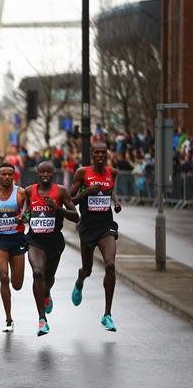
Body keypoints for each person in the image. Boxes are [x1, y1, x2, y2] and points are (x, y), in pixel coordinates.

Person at [70, 142, 122, 332]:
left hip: (106, 226)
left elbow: (109, 191)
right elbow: (70, 200)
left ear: (107, 155)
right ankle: (80, 280)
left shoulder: (112, 172)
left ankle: (107, 314)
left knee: (110, 265)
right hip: (87, 228)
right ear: (91, 154)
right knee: (88, 269)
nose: (100, 155)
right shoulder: (82, 173)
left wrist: (115, 201)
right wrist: (86, 192)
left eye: (103, 152)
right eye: (96, 152)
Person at [24, 161, 79, 336]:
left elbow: (76, 216)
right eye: (42, 172)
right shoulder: (29, 191)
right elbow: (26, 211)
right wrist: (23, 216)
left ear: (53, 174)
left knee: (48, 279)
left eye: (49, 172)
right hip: (35, 240)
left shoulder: (61, 191)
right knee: (37, 273)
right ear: (37, 173)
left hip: (54, 241)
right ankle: (42, 320)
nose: (45, 175)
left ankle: (46, 292)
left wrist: (57, 208)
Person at [0, 163, 27, 332]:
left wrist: (24, 217)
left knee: (17, 285)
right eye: (4, 174)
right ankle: (8, 319)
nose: (7, 177)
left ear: (14, 176)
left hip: (17, 239)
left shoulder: (21, 193)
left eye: (10, 174)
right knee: (3, 277)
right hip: (0, 239)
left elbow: (28, 211)